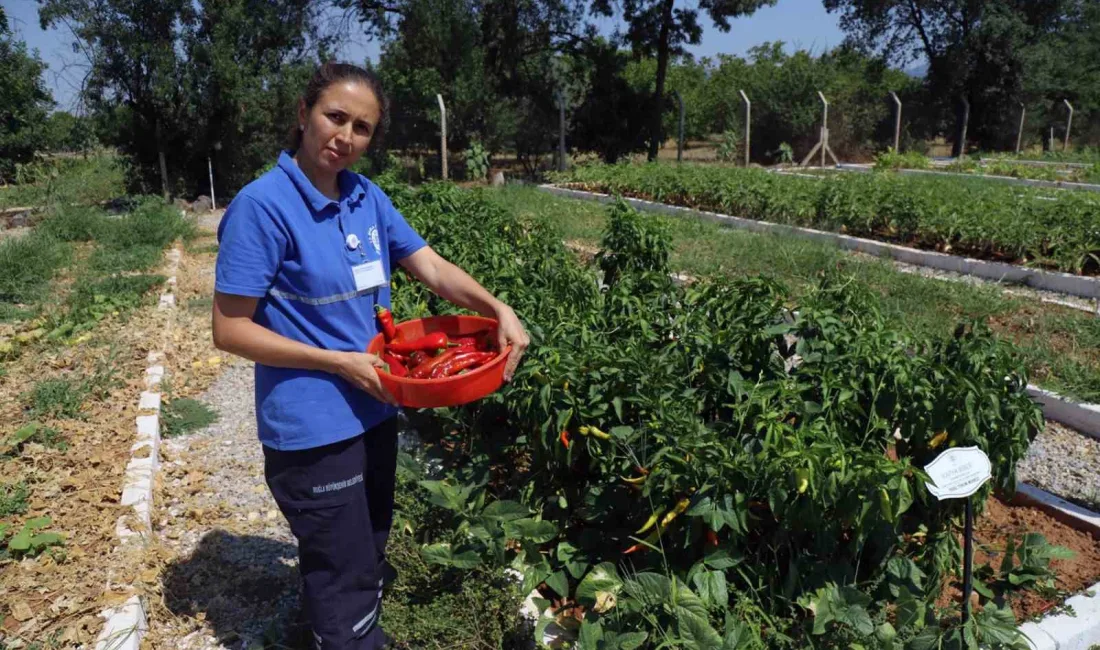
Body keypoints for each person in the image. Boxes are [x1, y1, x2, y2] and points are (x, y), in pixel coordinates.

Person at [211, 61, 530, 649]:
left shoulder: (365, 197)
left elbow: (429, 266)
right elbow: (230, 330)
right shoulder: (264, 206)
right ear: (304, 114)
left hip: (376, 406)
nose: (345, 136)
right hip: (311, 423)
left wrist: (496, 308)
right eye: (335, 117)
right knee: (346, 569)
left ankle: (326, 632)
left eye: (361, 128)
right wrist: (338, 361)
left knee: (365, 542)